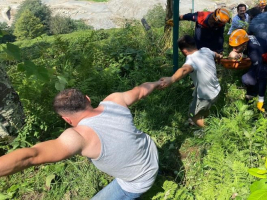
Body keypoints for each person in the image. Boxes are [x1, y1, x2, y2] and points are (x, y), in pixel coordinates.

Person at [0, 83, 162, 199]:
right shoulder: (115, 100)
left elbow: (31, 156)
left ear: (66, 119)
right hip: (151, 153)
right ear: (87, 99)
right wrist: (160, 82)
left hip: (138, 181)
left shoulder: (78, 137)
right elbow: (140, 90)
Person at [159, 35, 221, 128]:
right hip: (216, 89)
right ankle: (204, 115)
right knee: (202, 107)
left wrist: (171, 79)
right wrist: (220, 57)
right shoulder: (206, 50)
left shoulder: (191, 60)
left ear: (184, 51)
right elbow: (217, 55)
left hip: (206, 95)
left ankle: (210, 131)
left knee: (193, 115)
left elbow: (184, 70)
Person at [228, 29, 267, 112]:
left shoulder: (254, 52)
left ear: (244, 44)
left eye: (236, 47)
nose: (233, 49)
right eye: (232, 47)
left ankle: (253, 93)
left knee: (247, 79)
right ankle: (252, 91)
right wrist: (236, 54)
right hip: (261, 57)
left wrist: (261, 100)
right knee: (252, 71)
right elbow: (242, 50)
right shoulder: (245, 38)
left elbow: (262, 77)